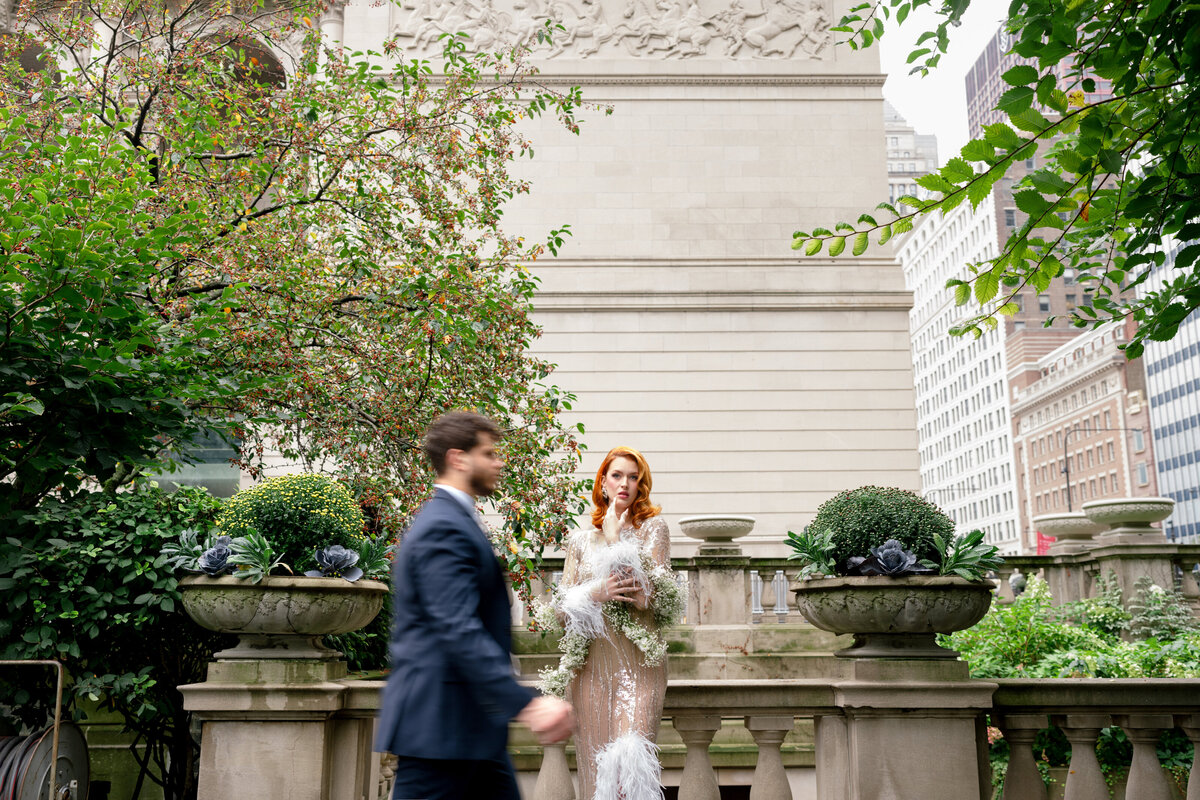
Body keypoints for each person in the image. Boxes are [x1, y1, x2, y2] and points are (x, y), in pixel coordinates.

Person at [375, 411, 573, 800]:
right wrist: (528, 706)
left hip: (470, 728)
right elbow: (456, 627)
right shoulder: (443, 527)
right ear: (458, 459)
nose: (499, 463)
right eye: (489, 453)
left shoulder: (453, 520)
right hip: (440, 728)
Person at [554, 446, 673, 800]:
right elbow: (561, 612)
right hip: (591, 670)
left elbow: (649, 597)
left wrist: (615, 540)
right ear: (603, 482)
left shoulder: (654, 530)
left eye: (633, 477)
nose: (625, 484)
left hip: (639, 668)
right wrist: (595, 592)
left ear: (641, 485)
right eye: (617, 475)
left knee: (630, 771)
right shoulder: (578, 540)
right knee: (596, 778)